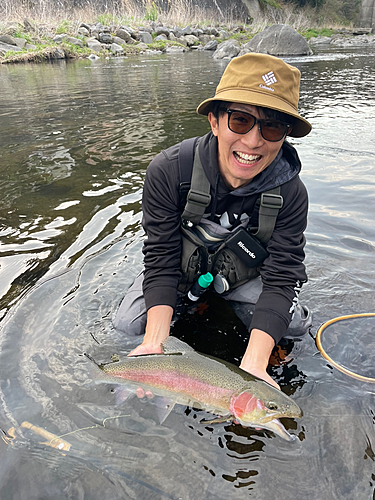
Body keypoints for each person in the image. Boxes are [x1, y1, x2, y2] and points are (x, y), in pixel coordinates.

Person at [113, 53, 312, 389]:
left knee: (293, 329)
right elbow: (160, 260)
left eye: (272, 126)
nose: (253, 141)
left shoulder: (291, 194)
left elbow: (282, 278)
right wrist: (154, 347)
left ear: (285, 135)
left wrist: (253, 369)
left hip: (245, 277)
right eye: (240, 120)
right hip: (179, 270)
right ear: (214, 121)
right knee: (129, 327)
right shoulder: (169, 170)